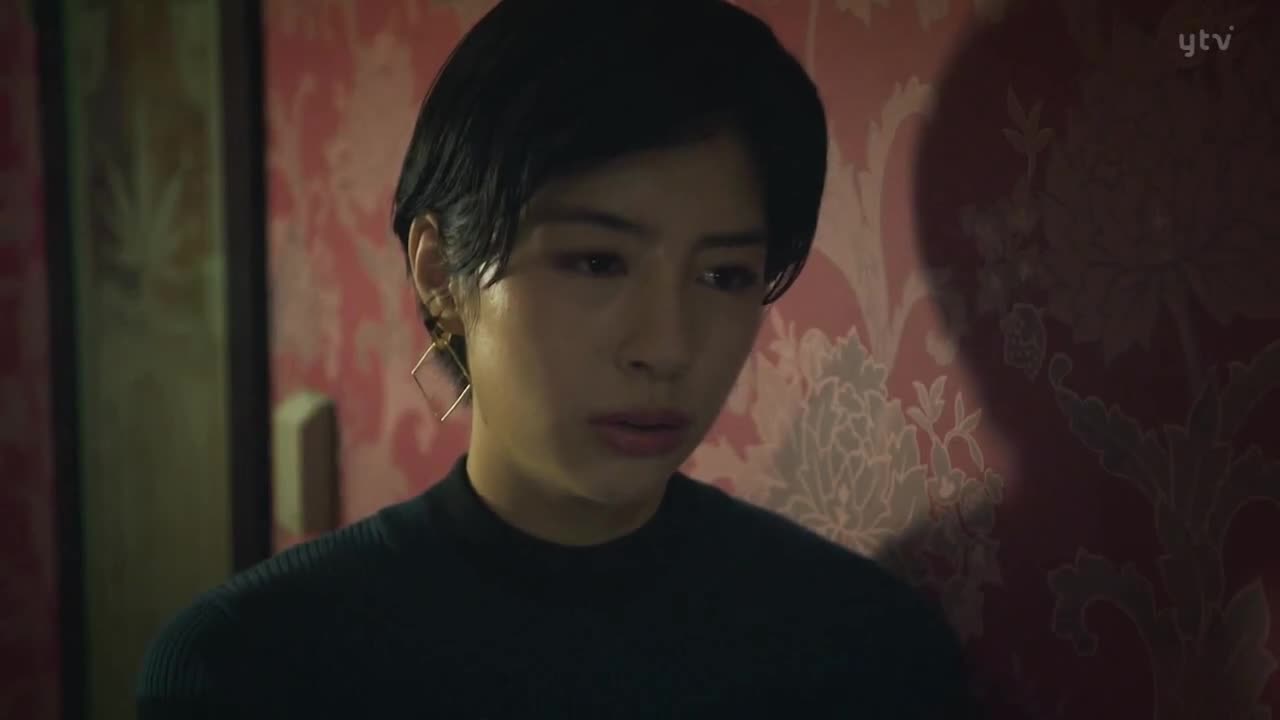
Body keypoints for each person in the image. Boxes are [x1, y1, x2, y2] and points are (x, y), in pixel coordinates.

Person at [137, 0, 980, 717]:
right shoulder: (250, 668)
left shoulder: (862, 651)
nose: (666, 347)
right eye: (596, 262)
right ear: (441, 274)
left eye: (723, 275)